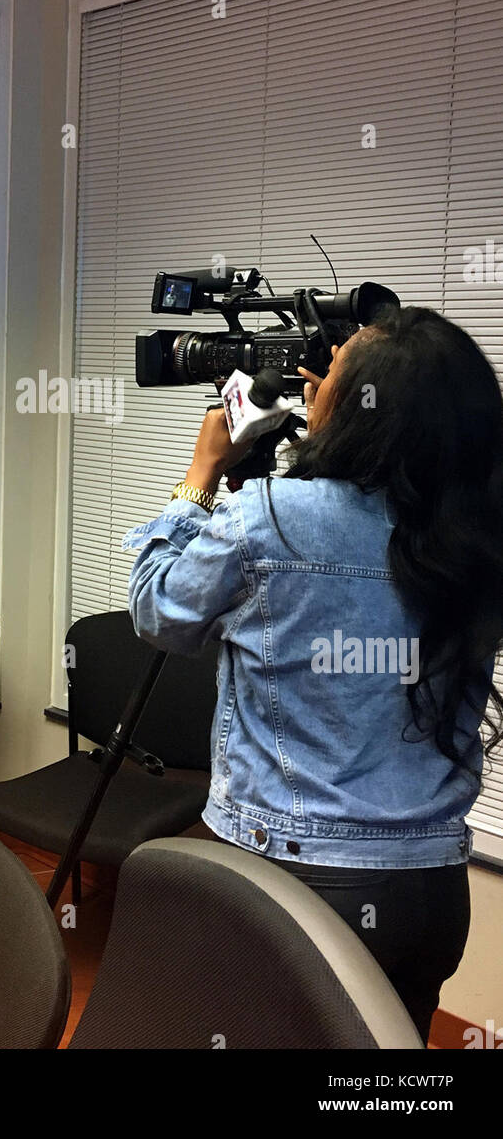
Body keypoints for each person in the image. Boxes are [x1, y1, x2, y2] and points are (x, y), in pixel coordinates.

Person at [122, 305, 503, 1044]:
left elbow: (157, 611)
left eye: (336, 371)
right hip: (427, 886)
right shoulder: (476, 533)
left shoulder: (272, 517)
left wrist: (204, 473)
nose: (318, 381)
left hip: (302, 879)